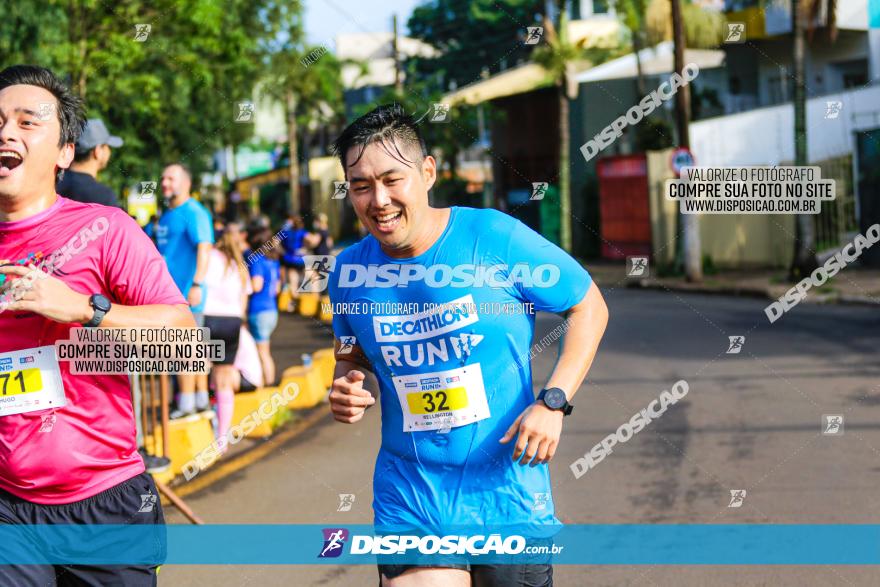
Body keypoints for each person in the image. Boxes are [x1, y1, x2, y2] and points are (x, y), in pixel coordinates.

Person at [327, 104, 609, 587]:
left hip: (506, 494)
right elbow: (351, 354)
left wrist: (554, 401)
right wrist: (345, 384)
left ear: (428, 172)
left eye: (393, 179)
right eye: (361, 186)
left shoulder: (493, 237)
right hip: (411, 494)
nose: (379, 200)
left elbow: (588, 306)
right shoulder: (349, 273)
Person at [0, 64, 193, 585]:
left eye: (25, 121)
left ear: (65, 151)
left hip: (104, 502)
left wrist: (85, 310)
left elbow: (183, 341)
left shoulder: (104, 230)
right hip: (8, 508)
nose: (4, 133)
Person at [156, 162, 214, 418]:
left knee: (186, 350)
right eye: (163, 178)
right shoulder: (166, 215)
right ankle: (199, 401)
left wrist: (198, 283)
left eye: (171, 178)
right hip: (166, 298)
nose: (165, 183)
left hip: (187, 295)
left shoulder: (194, 212)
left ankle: (188, 404)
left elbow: (204, 247)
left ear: (186, 183)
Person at [202, 222, 251, 453]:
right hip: (232, 322)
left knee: (201, 371)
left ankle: (204, 417)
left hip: (209, 318)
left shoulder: (208, 257)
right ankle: (222, 437)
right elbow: (243, 303)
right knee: (224, 377)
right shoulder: (241, 266)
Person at [55, 117, 123, 207]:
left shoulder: (53, 184)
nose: (109, 151)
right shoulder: (104, 197)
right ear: (97, 151)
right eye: (108, 147)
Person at [246, 227, 281, 385]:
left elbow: (256, 285)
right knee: (265, 352)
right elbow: (277, 288)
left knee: (261, 353)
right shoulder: (273, 261)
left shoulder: (258, 260)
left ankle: (265, 386)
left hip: (258, 310)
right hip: (272, 310)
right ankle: (269, 384)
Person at [279, 214, 307, 309]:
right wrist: (305, 248)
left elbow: (275, 242)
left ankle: (294, 303)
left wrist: (282, 252)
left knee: (293, 282)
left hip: (289, 259)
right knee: (313, 277)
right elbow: (312, 239)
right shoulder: (302, 232)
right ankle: (313, 301)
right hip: (300, 259)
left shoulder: (286, 232)